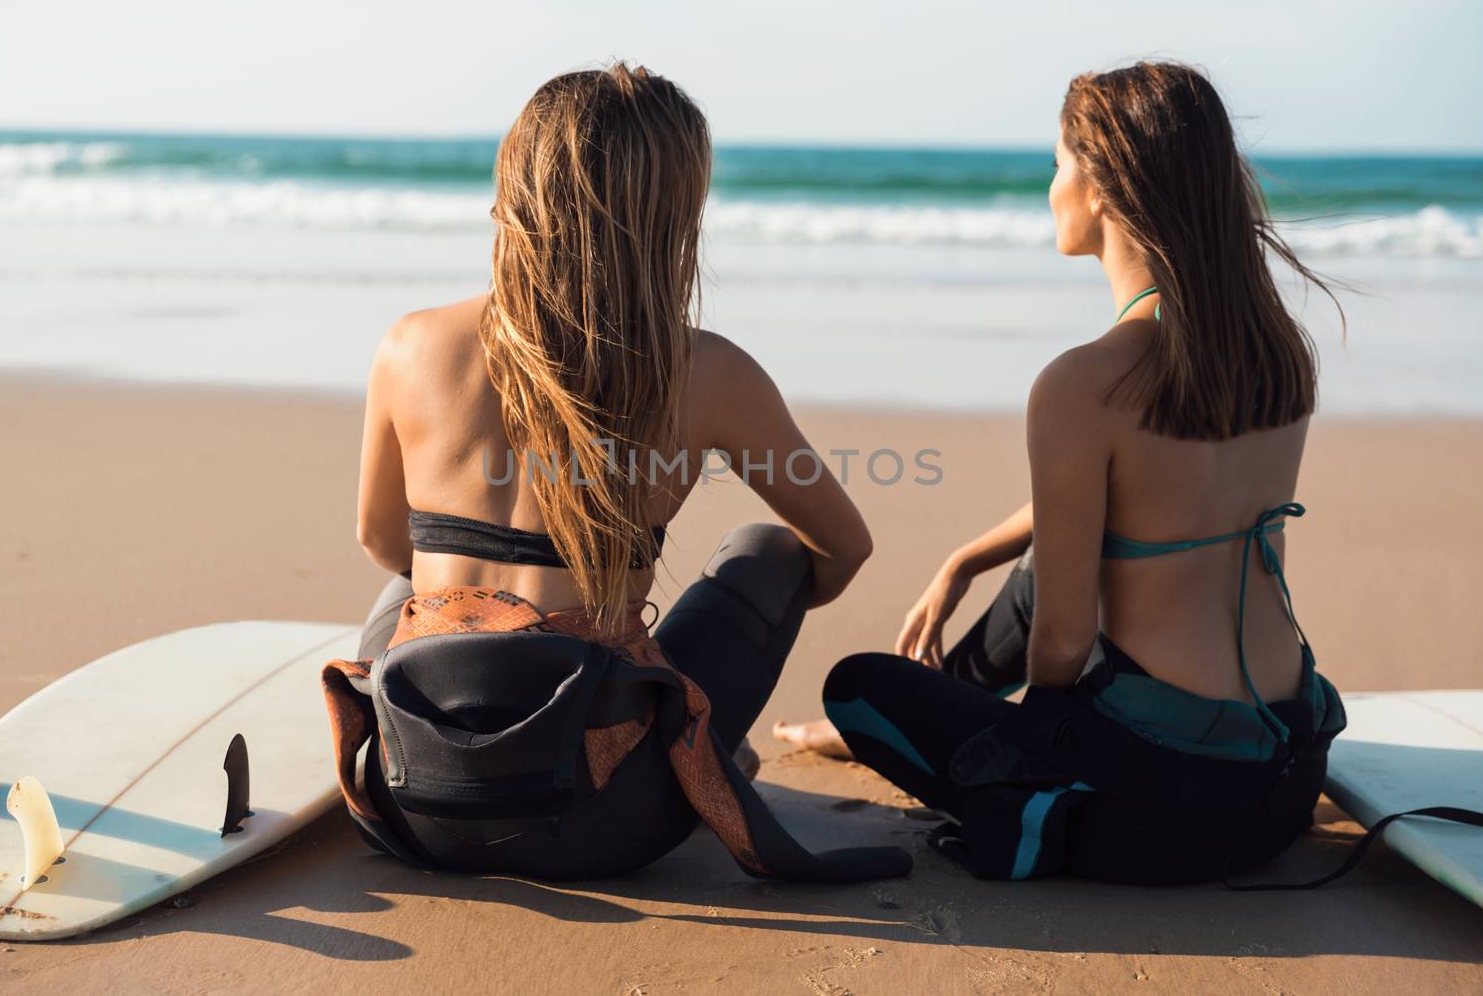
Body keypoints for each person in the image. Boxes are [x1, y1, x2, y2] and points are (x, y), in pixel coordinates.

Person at [320, 63, 909, 883]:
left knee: (411, 589)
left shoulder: (411, 345)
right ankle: (659, 727)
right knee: (769, 548)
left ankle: (565, 694)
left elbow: (380, 538)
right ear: (674, 212)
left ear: (517, 182)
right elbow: (843, 546)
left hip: (416, 810)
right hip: (599, 825)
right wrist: (646, 653)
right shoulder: (707, 373)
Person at [778, 61, 1349, 885]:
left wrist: (1018, 715)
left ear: (1102, 188)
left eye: (1057, 164)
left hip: (1165, 811)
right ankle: (959, 694)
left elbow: (1061, 648)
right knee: (1048, 560)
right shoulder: (1271, 352)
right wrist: (963, 559)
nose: (1050, 186)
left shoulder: (1084, 385)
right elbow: (1144, 497)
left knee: (861, 690)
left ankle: (1002, 788)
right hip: (1283, 778)